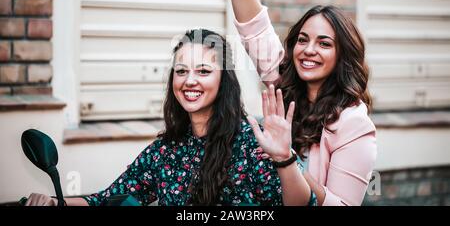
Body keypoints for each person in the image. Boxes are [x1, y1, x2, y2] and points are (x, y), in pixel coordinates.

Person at [25, 29, 284, 206]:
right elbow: (107, 199)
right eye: (181, 71)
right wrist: (54, 202)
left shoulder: (252, 144)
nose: (189, 80)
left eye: (203, 71)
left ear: (223, 81)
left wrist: (285, 158)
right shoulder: (165, 150)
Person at [226, 0, 377, 206]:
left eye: (324, 43)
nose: (309, 50)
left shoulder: (353, 123)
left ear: (342, 55)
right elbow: (254, 27)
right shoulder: (283, 84)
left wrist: (287, 159)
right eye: (303, 39)